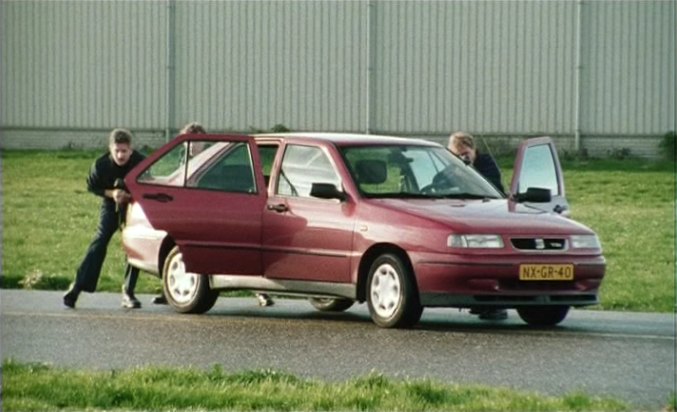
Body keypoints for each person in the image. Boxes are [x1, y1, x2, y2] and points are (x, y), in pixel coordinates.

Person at [150, 122, 275, 308]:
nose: (192, 147)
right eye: (188, 143)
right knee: (182, 251)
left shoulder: (213, 161)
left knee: (237, 253)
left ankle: (261, 291)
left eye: (197, 142)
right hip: (193, 214)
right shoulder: (183, 161)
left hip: (215, 212)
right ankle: (170, 291)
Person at [63, 128, 146, 309]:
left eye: (124, 150)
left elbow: (149, 184)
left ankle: (128, 292)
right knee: (99, 242)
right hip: (110, 204)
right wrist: (112, 193)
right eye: (116, 150)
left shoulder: (141, 163)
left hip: (134, 205)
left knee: (134, 245)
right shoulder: (100, 165)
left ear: (131, 150)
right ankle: (77, 287)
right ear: (110, 148)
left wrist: (129, 196)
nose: (120, 154)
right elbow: (92, 186)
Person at [448, 131, 508, 321]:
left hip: (487, 216)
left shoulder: (486, 164)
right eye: (456, 156)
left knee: (491, 260)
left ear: (474, 151)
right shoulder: (448, 166)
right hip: (460, 216)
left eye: (465, 154)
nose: (462, 159)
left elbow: (493, 188)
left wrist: (468, 170)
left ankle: (495, 305)